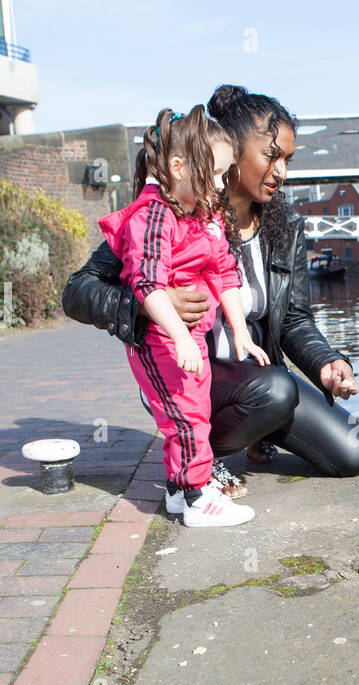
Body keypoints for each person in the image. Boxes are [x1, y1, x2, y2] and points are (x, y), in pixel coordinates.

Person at [63, 85, 359, 499]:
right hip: (188, 373)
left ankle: (255, 429)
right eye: (271, 155)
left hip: (259, 380)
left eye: (287, 160)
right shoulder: (172, 212)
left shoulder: (287, 228)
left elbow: (295, 318)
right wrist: (147, 305)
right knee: (277, 391)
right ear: (233, 153)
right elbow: (77, 291)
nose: (281, 172)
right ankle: (202, 464)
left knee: (354, 452)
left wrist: (327, 363)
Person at [98, 105, 263, 527]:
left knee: (196, 409)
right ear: (177, 166)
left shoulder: (202, 214)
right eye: (215, 175)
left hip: (191, 338)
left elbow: (224, 271)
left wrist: (241, 333)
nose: (222, 187)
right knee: (185, 415)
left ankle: (176, 489)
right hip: (160, 341)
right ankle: (196, 498)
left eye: (226, 176)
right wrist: (181, 337)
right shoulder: (153, 216)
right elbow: (147, 285)